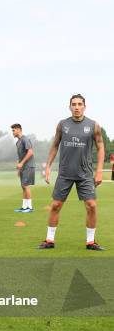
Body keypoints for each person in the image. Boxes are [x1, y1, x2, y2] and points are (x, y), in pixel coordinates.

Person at [39, 94, 105, 250]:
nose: (77, 107)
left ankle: (90, 242)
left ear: (84, 106)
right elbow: (55, 145)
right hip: (65, 173)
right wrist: (48, 166)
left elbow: (101, 147)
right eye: (74, 104)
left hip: (85, 174)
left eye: (80, 104)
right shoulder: (62, 125)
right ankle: (49, 240)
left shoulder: (93, 125)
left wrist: (99, 170)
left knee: (92, 206)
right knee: (55, 205)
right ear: (70, 107)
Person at [11, 123, 35, 212]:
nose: (12, 132)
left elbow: (30, 152)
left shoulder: (25, 139)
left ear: (18, 130)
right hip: (23, 167)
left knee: (25, 186)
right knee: (23, 186)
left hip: (28, 166)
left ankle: (29, 208)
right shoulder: (18, 142)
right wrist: (19, 167)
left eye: (13, 130)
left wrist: (21, 163)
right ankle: (24, 207)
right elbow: (20, 156)